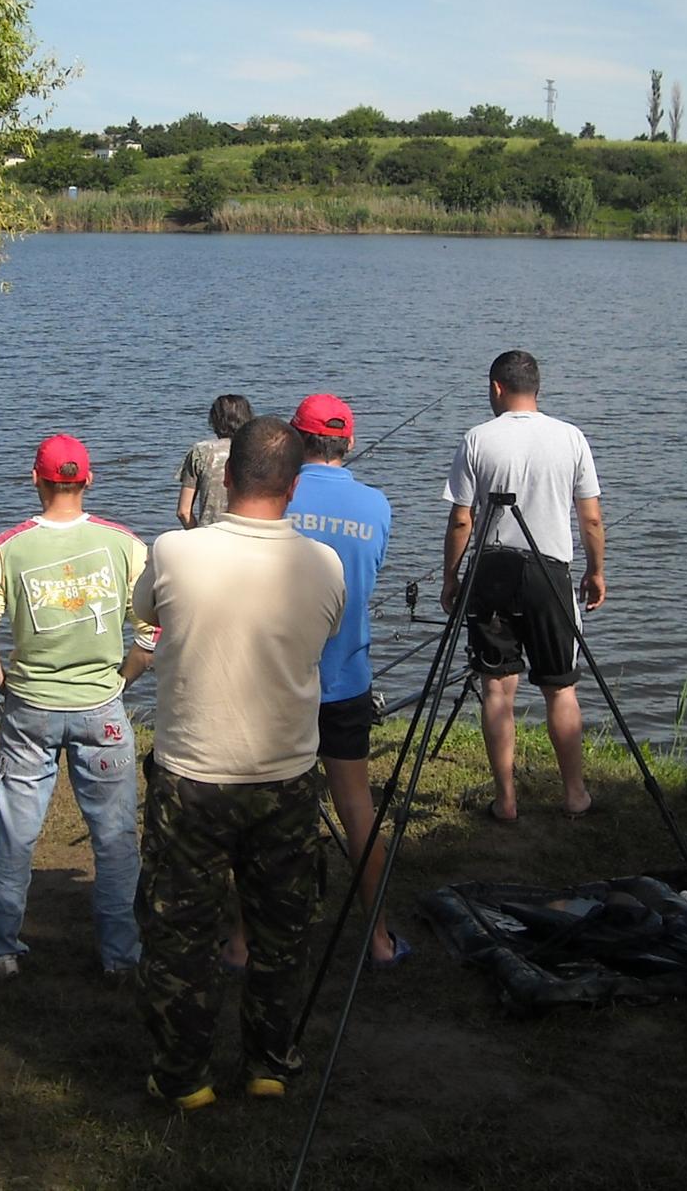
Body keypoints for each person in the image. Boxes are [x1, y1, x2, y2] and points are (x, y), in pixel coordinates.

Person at [132, 416, 346, 1109]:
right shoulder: (323, 563)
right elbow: (328, 631)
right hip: (284, 777)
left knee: (178, 931)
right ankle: (269, 1063)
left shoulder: (173, 551)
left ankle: (183, 1075)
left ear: (224, 477)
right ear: (295, 485)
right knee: (282, 931)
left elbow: (145, 612)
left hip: (190, 774)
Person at [0, 433, 157, 980]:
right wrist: (122, 680)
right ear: (88, 480)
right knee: (115, 838)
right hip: (103, 708)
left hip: (30, 708)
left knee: (15, 831)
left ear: (35, 479)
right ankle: (121, 956)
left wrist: (8, 685)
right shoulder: (126, 545)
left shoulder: (7, 546)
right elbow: (153, 632)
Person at [440, 350, 606, 823]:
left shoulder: (477, 438)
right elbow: (590, 516)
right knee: (561, 688)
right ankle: (574, 795)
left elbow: (460, 521)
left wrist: (452, 577)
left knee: (497, 690)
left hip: (491, 570)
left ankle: (506, 801)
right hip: (549, 572)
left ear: (496, 387)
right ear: (536, 388)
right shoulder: (571, 437)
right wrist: (596, 572)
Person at [283, 392, 406, 963]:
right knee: (357, 805)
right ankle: (379, 939)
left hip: (279, 681)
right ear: (348, 443)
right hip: (347, 678)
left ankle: (244, 938)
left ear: (294, 439)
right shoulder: (376, 505)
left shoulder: (272, 498)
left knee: (266, 806)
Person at [174, 393, 253, 529]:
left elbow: (183, 512)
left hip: (208, 538)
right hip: (248, 537)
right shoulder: (256, 451)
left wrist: (198, 535)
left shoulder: (201, 452)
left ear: (215, 420)